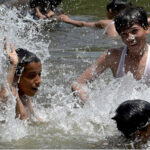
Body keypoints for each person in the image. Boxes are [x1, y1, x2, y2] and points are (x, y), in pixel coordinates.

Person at [71, 6, 150, 103]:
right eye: (124, 34)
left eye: (134, 31)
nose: (130, 38)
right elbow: (78, 84)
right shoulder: (112, 56)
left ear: (147, 28)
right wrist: (93, 106)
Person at [0, 38, 42, 120]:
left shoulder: (24, 93)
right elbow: (3, 98)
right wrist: (13, 65)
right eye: (32, 75)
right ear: (17, 77)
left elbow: (35, 119)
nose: (39, 81)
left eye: (39, 74)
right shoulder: (12, 92)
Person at [57, 0, 132, 37]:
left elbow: (82, 24)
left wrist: (66, 19)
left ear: (110, 11)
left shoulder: (107, 23)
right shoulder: (133, 23)